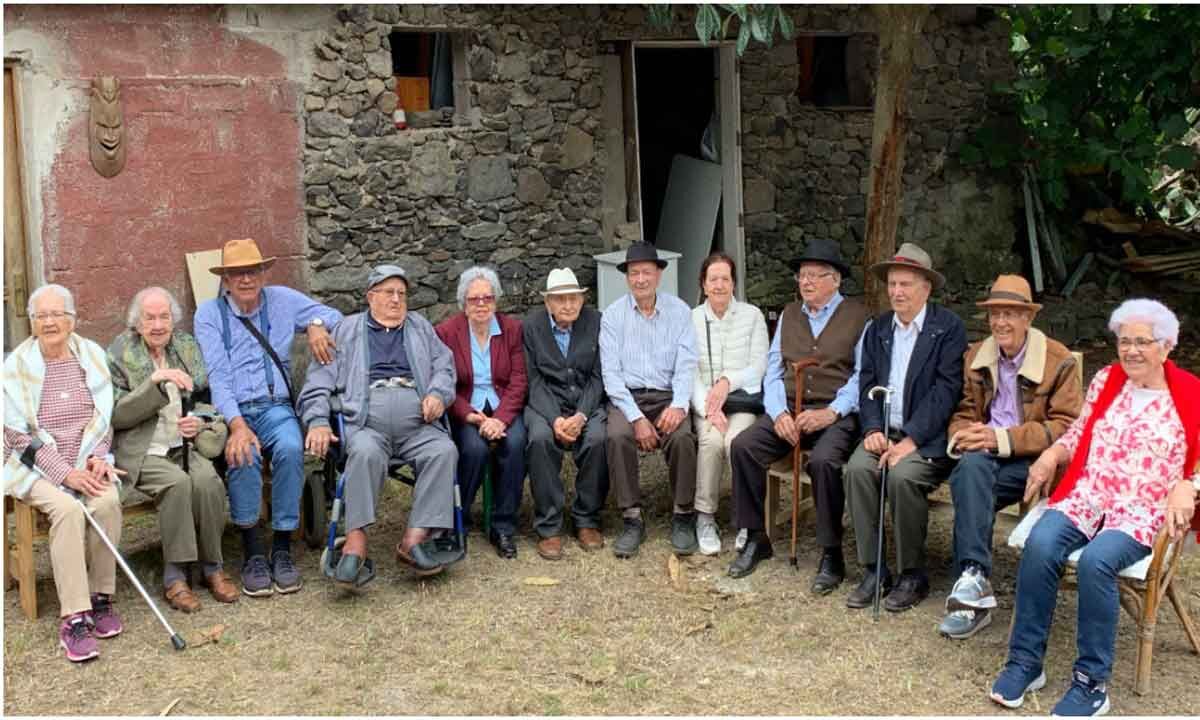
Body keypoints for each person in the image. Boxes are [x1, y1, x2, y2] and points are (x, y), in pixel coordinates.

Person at [990, 299, 1200, 717]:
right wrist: (1051, 456)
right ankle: (1026, 662)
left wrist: (1188, 485)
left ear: (1166, 346)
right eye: (1125, 341)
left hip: (1143, 511)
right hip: (1089, 496)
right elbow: (1081, 431)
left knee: (1096, 562)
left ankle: (1091, 683)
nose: (1132, 350)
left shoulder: (1192, 394)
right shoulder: (1107, 379)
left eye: (1143, 341)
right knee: (1041, 543)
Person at [194, 238, 342, 596]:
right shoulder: (209, 315)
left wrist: (316, 324)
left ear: (263, 273)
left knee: (292, 447)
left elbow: (337, 318)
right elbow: (219, 377)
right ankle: (253, 551)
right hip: (235, 409)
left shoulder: (283, 300)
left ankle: (281, 547)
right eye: (237, 273)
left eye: (253, 271)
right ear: (225, 279)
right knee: (243, 453)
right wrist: (238, 426)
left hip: (276, 406)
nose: (246, 279)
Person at [937, 275, 1082, 639]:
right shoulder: (976, 356)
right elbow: (964, 410)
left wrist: (1001, 437)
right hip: (985, 456)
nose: (1001, 322)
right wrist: (962, 434)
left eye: (1010, 314)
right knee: (971, 469)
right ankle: (974, 581)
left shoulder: (1059, 360)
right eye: (995, 314)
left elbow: (1067, 426)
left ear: (1028, 318)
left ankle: (970, 590)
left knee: (970, 483)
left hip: (1033, 462)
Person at [300, 265, 459, 581]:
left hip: (418, 424)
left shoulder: (420, 327)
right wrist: (318, 420)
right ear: (370, 297)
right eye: (389, 292)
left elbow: (445, 367)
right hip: (366, 423)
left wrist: (439, 394)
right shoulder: (347, 330)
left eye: (402, 293)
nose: (397, 299)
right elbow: (318, 381)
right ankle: (356, 542)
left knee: (443, 450)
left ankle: (414, 539)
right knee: (364, 452)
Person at [727, 238, 868, 584]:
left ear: (835, 280)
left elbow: (863, 376)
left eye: (815, 276)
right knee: (743, 447)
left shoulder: (859, 316)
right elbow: (773, 371)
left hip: (836, 413)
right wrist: (778, 414)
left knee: (823, 461)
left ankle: (831, 553)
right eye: (802, 276)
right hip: (790, 408)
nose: (805, 282)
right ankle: (757, 536)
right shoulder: (790, 314)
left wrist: (832, 412)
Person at [3, 285, 124, 662]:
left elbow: (104, 420)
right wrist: (63, 474)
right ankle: (73, 616)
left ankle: (100, 597)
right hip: (34, 465)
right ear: (33, 322)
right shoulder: (16, 366)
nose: (50, 322)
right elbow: (16, 434)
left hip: (85, 460)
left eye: (58, 314)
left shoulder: (92, 355)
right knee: (69, 510)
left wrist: (100, 457)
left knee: (106, 501)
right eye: (42, 316)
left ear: (73, 320)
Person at [843, 242, 966, 612]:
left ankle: (912, 573)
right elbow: (866, 384)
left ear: (926, 288)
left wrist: (910, 438)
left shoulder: (947, 328)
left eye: (906, 284)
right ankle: (874, 568)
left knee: (902, 477)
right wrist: (870, 429)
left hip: (927, 438)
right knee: (857, 470)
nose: (897, 292)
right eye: (893, 284)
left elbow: (946, 392)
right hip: (884, 431)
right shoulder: (878, 329)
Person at [108, 287, 236, 612]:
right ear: (136, 323)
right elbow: (117, 414)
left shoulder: (185, 346)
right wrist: (154, 383)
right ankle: (175, 576)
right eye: (149, 318)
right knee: (177, 484)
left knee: (208, 483)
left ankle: (212, 567)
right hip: (142, 448)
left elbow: (206, 399)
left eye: (164, 316)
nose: (157, 325)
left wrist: (198, 421)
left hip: (183, 445)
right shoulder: (120, 353)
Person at [600, 242, 699, 558]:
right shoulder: (613, 316)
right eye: (633, 273)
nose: (640, 279)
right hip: (626, 397)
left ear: (658, 275)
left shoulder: (680, 311)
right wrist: (636, 418)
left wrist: (679, 404)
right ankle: (631, 518)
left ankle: (684, 514)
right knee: (616, 436)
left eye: (646, 272)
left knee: (682, 437)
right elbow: (611, 375)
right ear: (626, 278)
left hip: (667, 395)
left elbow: (686, 364)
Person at [435, 266, 528, 559]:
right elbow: (445, 383)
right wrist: (470, 416)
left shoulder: (512, 329)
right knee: (473, 448)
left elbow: (518, 380)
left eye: (487, 297)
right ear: (464, 303)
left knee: (514, 444)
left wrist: (501, 418)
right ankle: (456, 520)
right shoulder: (446, 333)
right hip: (466, 408)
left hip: (503, 407)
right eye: (474, 299)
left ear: (496, 301)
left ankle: (502, 525)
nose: (481, 304)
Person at [522, 268, 608, 560]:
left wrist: (582, 415)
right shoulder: (531, 327)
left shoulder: (596, 321)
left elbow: (598, 377)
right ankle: (549, 526)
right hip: (546, 405)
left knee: (597, 439)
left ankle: (587, 519)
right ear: (548, 303)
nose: (568, 305)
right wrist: (555, 418)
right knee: (539, 440)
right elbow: (533, 380)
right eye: (560, 300)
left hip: (587, 402)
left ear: (583, 300)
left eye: (574, 298)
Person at [690, 252, 768, 556]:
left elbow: (759, 365)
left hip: (742, 401)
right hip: (707, 403)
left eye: (725, 278)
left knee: (736, 442)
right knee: (710, 441)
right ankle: (705, 516)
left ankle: (746, 520)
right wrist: (708, 408)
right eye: (714, 279)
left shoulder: (752, 315)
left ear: (734, 283)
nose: (720, 285)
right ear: (704, 284)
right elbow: (689, 371)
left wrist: (726, 381)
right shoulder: (693, 318)